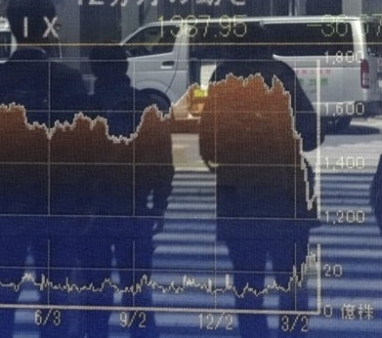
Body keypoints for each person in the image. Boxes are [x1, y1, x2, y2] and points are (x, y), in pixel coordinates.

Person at [0, 0, 89, 338]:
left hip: (4, 206)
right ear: (47, 27)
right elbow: (81, 150)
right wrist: (83, 206)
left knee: (2, 288)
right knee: (54, 292)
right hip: (55, 205)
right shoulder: (67, 81)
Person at [199, 24, 321, 338]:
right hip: (287, 198)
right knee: (291, 284)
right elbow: (312, 133)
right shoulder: (282, 75)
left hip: (238, 202)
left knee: (248, 286)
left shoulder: (221, 77)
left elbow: (208, 147)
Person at [78, 45, 174, 337]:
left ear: (95, 70)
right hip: (135, 208)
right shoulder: (145, 107)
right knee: (138, 293)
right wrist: (159, 205)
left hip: (94, 213)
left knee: (95, 292)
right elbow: (163, 162)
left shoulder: (85, 109)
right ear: (125, 68)